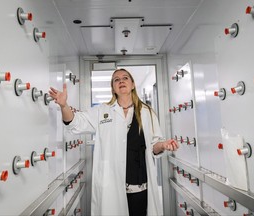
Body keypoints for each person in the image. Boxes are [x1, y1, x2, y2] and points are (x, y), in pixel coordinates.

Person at [49, 68, 179, 216]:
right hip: (111, 188)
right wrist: (64, 106)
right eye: (116, 79)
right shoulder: (102, 111)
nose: (121, 81)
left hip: (140, 188)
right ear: (113, 87)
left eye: (125, 78)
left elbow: (154, 146)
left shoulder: (147, 111)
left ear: (132, 84)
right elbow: (74, 122)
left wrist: (163, 145)